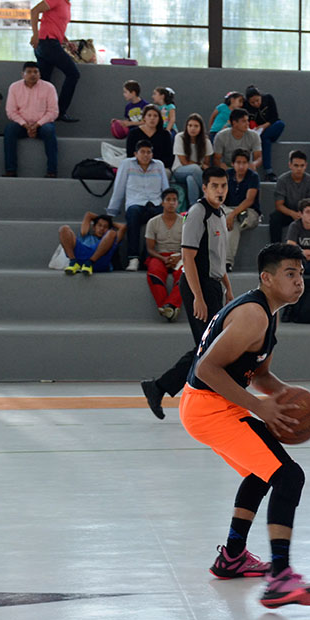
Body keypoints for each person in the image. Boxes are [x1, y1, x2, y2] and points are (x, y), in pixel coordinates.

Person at [174, 243, 310, 609]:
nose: (299, 281)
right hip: (208, 406)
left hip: (213, 404)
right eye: (290, 274)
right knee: (288, 476)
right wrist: (259, 406)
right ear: (267, 278)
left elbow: (257, 373)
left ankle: (232, 557)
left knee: (262, 473)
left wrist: (284, 393)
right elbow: (206, 370)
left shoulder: (267, 315)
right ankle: (280, 577)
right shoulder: (253, 316)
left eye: (301, 274)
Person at [141, 167, 237, 417]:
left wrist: (228, 288)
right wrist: (197, 296)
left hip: (214, 285)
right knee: (210, 349)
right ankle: (201, 398)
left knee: (208, 348)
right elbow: (188, 257)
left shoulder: (220, 213)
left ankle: (159, 387)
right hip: (199, 285)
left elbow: (217, 257)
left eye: (224, 185)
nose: (220, 190)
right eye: (214, 186)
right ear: (204, 188)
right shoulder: (197, 213)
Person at [106, 140, 170, 270]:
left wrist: (169, 207)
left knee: (162, 217)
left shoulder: (159, 165)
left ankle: (148, 257)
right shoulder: (127, 164)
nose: (146, 155)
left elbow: (165, 189)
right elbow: (119, 188)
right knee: (133, 214)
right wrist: (111, 213)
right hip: (136, 203)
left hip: (155, 203)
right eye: (142, 152)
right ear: (136, 153)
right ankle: (133, 258)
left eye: (148, 152)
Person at [28, 0, 82, 122]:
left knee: (44, 83)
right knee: (73, 74)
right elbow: (34, 11)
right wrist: (35, 35)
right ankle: (60, 111)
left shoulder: (67, 4)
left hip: (51, 43)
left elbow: (55, 24)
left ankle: (39, 116)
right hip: (47, 44)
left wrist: (66, 41)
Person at [3, 61, 59, 178]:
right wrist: (25, 125)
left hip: (42, 125)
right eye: (29, 72)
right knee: (9, 130)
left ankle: (52, 171)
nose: (32, 74)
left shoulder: (49, 88)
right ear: (22, 74)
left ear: (40, 74)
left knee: (49, 131)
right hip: (22, 125)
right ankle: (10, 170)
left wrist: (37, 125)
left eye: (35, 72)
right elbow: (11, 111)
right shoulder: (14, 87)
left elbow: (53, 112)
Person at [145, 188, 185, 321]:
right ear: (162, 203)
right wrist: (163, 258)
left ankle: (171, 305)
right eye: (168, 200)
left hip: (179, 255)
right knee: (154, 272)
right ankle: (167, 307)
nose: (171, 203)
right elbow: (150, 249)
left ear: (178, 203)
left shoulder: (184, 222)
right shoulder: (153, 222)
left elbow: (188, 245)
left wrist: (179, 257)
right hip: (159, 255)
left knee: (185, 273)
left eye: (174, 200)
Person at [270, 151, 310, 243]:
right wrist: (292, 213)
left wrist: (304, 214)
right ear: (290, 165)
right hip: (288, 213)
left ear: (306, 165)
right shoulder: (282, 180)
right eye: (296, 165)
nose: (299, 169)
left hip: (306, 212)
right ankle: (275, 249)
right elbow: (279, 205)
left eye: (302, 166)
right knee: (275, 218)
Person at [224, 149, 262, 270]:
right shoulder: (226, 175)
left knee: (235, 220)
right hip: (229, 209)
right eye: (238, 162)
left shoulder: (253, 177)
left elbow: (249, 200)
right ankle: (227, 263)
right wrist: (231, 214)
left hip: (249, 212)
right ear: (232, 163)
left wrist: (232, 215)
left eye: (244, 162)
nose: (241, 166)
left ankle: (227, 261)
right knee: (231, 219)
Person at [58, 212, 123, 275]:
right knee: (64, 229)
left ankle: (89, 263)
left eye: (105, 227)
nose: (102, 229)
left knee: (112, 233)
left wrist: (110, 222)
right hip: (81, 256)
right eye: (99, 225)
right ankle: (73, 262)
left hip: (99, 260)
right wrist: (100, 218)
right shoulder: (85, 235)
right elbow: (88, 215)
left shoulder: (111, 239)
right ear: (94, 227)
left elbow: (123, 227)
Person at [244, 85, 286, 180]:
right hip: (256, 132)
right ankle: (269, 171)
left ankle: (261, 138)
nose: (256, 104)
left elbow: (275, 117)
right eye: (252, 102)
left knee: (280, 124)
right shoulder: (246, 106)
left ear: (260, 96)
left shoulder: (268, 98)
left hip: (269, 128)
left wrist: (263, 126)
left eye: (257, 100)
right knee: (265, 140)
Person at [173, 113, 214, 207]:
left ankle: (194, 206)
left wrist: (201, 166)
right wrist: (200, 165)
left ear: (201, 128)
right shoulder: (180, 137)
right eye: (190, 125)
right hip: (179, 170)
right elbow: (184, 162)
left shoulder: (206, 141)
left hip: (196, 172)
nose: (192, 128)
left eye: (196, 126)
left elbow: (207, 164)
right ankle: (208, 194)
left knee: (191, 179)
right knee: (195, 168)